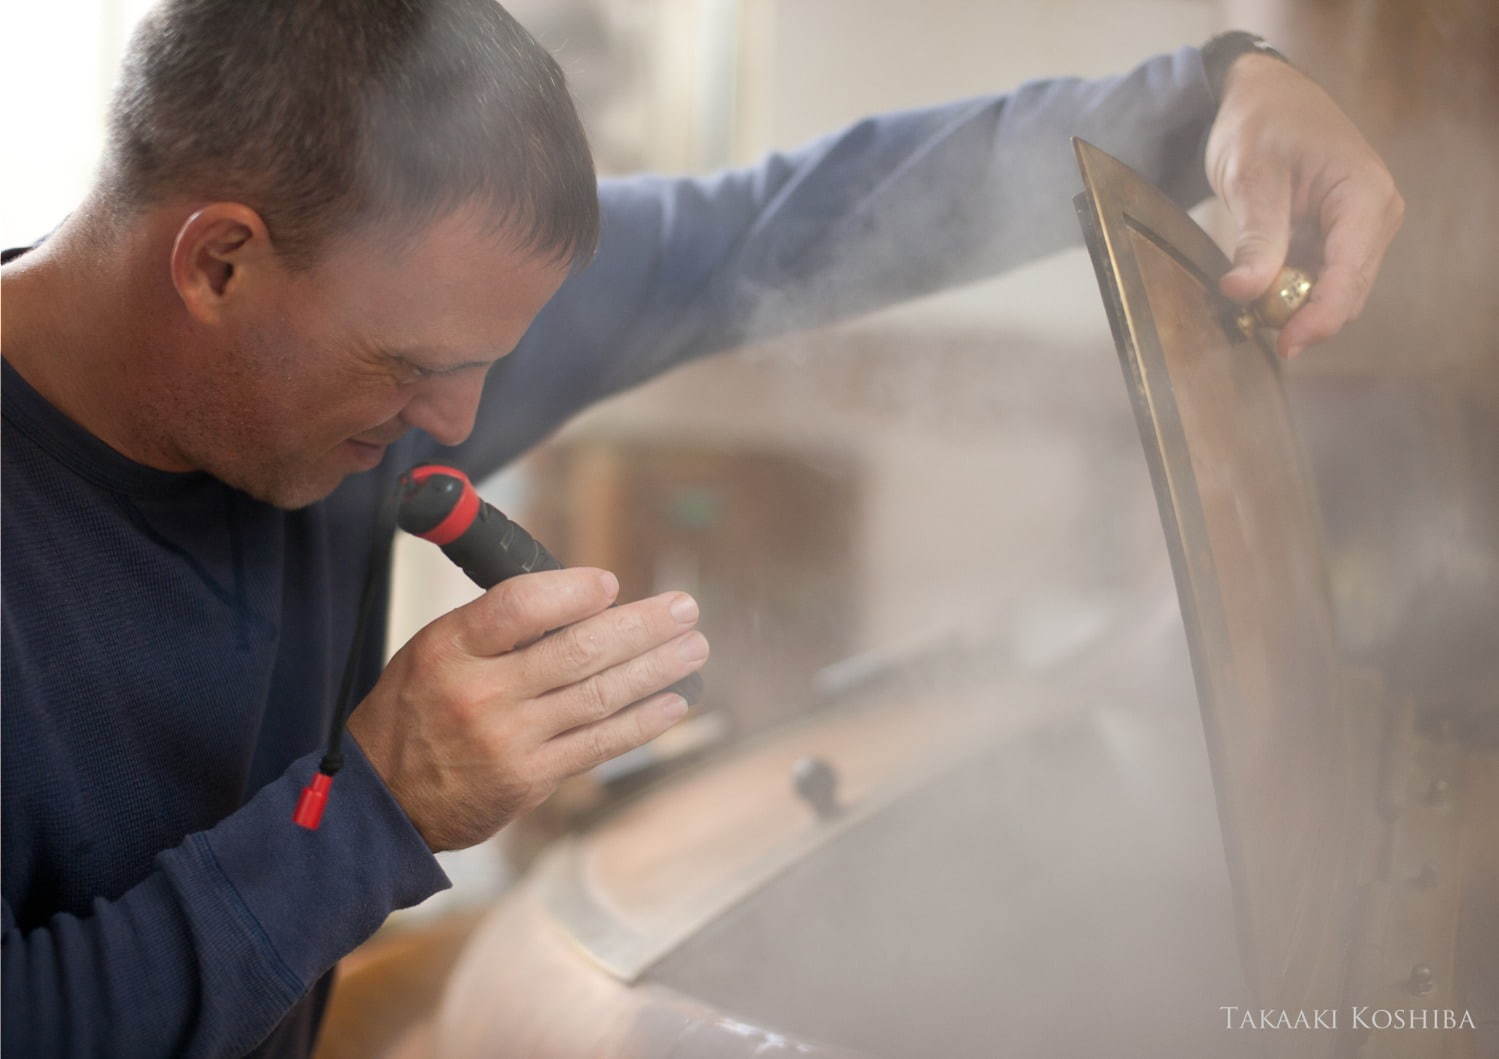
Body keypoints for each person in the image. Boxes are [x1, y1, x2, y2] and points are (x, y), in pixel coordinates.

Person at [0, 0, 1402, 1055]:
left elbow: (780, 228)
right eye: (412, 368)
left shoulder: (369, 335)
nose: (459, 421)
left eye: (497, 356)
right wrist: (368, 814)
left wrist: (1213, 92)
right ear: (220, 260)